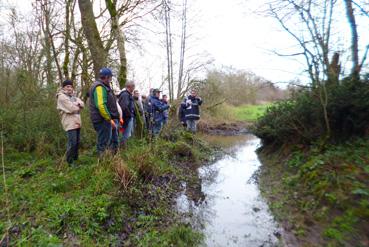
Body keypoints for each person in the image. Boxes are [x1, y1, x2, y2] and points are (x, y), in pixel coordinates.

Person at [88, 68, 120, 156]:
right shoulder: (99, 87)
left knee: (110, 142)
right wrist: (109, 119)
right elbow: (101, 105)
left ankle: (110, 161)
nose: (110, 80)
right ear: (106, 77)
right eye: (110, 78)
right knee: (103, 143)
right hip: (102, 120)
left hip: (105, 119)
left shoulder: (103, 86)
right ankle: (102, 164)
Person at [56, 79, 84, 166]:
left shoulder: (73, 96)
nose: (69, 88)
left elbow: (82, 104)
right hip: (69, 122)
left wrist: (77, 104)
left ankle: (75, 159)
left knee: (77, 142)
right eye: (67, 86)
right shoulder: (61, 97)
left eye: (71, 86)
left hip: (77, 121)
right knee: (72, 142)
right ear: (63, 87)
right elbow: (71, 108)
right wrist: (77, 105)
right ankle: (70, 161)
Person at [118, 82, 135, 146]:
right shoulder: (125, 95)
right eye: (133, 86)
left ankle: (123, 147)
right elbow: (124, 106)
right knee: (125, 134)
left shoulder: (128, 94)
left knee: (126, 134)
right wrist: (129, 115)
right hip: (126, 118)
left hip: (127, 117)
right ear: (130, 87)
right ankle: (122, 148)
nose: (134, 88)